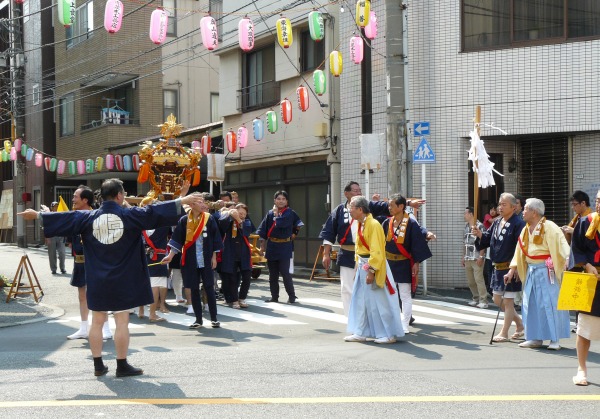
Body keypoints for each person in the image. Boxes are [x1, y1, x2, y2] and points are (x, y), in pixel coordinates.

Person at [18, 178, 204, 377]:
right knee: (121, 321)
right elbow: (153, 212)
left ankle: (98, 365)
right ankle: (121, 365)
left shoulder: (87, 217)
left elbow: (65, 218)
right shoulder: (130, 215)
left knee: (97, 321)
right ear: (120, 195)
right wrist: (182, 200)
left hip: (97, 277)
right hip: (123, 277)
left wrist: (37, 214)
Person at [504, 198, 571, 350]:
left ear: (534, 212)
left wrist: (567, 258)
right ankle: (534, 337)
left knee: (550, 304)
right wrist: (512, 270)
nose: (523, 211)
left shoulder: (550, 226)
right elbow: (519, 251)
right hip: (531, 271)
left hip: (547, 271)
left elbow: (562, 243)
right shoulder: (525, 229)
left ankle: (555, 339)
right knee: (531, 305)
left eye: (526, 209)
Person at [344, 196, 404, 344]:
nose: (349, 210)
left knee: (380, 302)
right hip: (363, 265)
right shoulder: (361, 223)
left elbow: (377, 250)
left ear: (360, 209)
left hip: (374, 267)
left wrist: (371, 271)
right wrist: (358, 267)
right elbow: (359, 248)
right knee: (361, 301)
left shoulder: (373, 224)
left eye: (351, 207)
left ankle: (388, 334)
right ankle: (360, 331)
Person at [163, 192, 223, 329]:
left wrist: (214, 257)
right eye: (199, 202)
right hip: (190, 259)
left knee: (209, 287)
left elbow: (216, 239)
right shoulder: (184, 220)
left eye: (203, 202)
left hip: (206, 258)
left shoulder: (209, 218)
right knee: (193, 288)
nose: (203, 204)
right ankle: (198, 319)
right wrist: (170, 256)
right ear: (191, 204)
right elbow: (177, 239)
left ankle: (214, 318)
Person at [473, 193, 525, 342]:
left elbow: (520, 248)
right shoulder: (497, 222)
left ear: (513, 207)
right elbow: (487, 238)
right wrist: (480, 234)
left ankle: (504, 332)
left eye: (504, 204)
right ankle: (520, 324)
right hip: (497, 267)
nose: (500, 207)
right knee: (497, 299)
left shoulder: (518, 224)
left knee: (508, 302)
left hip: (510, 267)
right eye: (499, 204)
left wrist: (515, 267)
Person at [65, 186, 112, 341]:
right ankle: (83, 328)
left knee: (100, 294)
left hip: (95, 261)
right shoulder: (74, 216)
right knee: (82, 296)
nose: (73, 199)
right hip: (79, 261)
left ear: (85, 200)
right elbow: (70, 241)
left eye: (75, 196)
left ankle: (106, 328)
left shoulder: (97, 216)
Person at [382, 194, 432, 334]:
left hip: (404, 263)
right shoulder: (387, 222)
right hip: (389, 263)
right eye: (389, 205)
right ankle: (393, 321)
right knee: (389, 293)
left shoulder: (411, 223)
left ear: (401, 206)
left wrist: (416, 262)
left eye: (392, 205)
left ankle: (405, 324)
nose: (389, 207)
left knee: (405, 294)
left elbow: (416, 244)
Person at [570, 189, 600, 385]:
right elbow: (577, 249)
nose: (598, 204)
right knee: (584, 328)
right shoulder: (585, 222)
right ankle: (581, 369)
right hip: (591, 280)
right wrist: (587, 265)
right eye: (597, 200)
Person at [257, 190, 304, 304]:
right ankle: (274, 297)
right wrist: (262, 246)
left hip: (285, 245)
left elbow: (297, 224)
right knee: (272, 274)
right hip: (272, 245)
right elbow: (262, 230)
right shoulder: (269, 214)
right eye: (278, 199)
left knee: (285, 272)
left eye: (283, 199)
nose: (281, 201)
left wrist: (294, 233)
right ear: (274, 200)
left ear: (287, 201)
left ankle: (292, 296)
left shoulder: (290, 213)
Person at [218, 203, 255, 309]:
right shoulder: (228, 220)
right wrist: (227, 213)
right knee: (232, 278)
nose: (242, 215)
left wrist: (238, 219)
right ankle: (234, 300)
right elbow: (221, 224)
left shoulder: (246, 221)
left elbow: (247, 232)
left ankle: (242, 298)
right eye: (239, 213)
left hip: (244, 253)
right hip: (230, 252)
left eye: (244, 213)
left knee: (247, 277)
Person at [463, 206, 488, 308]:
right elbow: (465, 243)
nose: (464, 215)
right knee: (471, 281)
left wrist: (481, 256)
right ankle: (475, 298)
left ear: (471, 214)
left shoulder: (480, 226)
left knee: (478, 279)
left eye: (465, 213)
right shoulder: (466, 226)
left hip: (477, 256)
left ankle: (483, 300)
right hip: (468, 257)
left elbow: (484, 242)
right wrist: (463, 256)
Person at [47, 201, 67, 274]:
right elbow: (46, 227)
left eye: (57, 206)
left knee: (62, 253)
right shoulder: (49, 216)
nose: (56, 208)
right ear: (51, 208)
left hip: (60, 236)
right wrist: (47, 237)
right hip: (51, 236)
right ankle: (53, 269)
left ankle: (62, 268)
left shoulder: (61, 215)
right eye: (54, 206)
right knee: (52, 253)